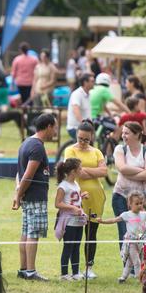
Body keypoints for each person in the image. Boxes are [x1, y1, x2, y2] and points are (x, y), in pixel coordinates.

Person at [13, 112, 58, 281]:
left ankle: (23, 269)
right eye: (55, 127)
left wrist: (18, 193)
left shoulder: (26, 142)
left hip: (27, 196)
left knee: (25, 232)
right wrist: (18, 194)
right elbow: (28, 175)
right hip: (36, 196)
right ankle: (31, 271)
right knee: (34, 233)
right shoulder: (37, 146)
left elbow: (19, 173)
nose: (55, 131)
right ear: (48, 127)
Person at [63, 121, 106, 279]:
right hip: (76, 199)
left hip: (95, 197)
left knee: (91, 233)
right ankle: (74, 269)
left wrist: (83, 170)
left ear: (92, 138)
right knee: (75, 234)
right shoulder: (70, 150)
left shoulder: (97, 152)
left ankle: (89, 267)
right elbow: (73, 171)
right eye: (80, 138)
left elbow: (104, 171)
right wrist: (94, 171)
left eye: (86, 140)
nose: (82, 142)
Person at [96, 192, 146, 283]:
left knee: (129, 262)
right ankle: (141, 279)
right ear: (130, 204)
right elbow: (114, 220)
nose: (139, 205)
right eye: (136, 203)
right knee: (137, 262)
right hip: (130, 242)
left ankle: (123, 278)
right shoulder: (126, 215)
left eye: (141, 203)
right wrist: (102, 221)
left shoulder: (144, 214)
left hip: (139, 242)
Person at [112, 121, 146, 252]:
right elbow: (121, 167)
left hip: (144, 198)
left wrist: (129, 174)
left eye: (127, 133)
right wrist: (141, 170)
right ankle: (128, 266)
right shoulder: (120, 149)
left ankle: (143, 264)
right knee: (125, 232)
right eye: (123, 133)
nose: (123, 136)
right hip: (121, 196)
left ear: (137, 134)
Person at [53, 157, 88, 281]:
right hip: (69, 222)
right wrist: (72, 208)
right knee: (68, 247)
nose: (81, 170)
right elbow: (57, 203)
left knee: (76, 247)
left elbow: (74, 198)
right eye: (80, 168)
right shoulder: (63, 186)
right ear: (73, 171)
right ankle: (64, 274)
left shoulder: (76, 184)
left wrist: (81, 197)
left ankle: (75, 272)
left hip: (78, 221)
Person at [66, 73, 94, 140]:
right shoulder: (77, 94)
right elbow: (76, 110)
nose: (94, 83)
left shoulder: (88, 94)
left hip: (84, 127)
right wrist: (84, 124)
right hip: (76, 128)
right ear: (85, 82)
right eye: (92, 81)